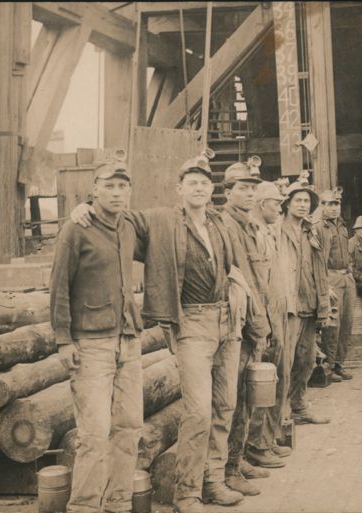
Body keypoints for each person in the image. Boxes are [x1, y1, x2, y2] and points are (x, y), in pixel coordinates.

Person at [70, 151, 252, 512]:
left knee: (224, 405)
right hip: (192, 323)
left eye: (204, 182)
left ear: (212, 188)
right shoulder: (158, 220)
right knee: (198, 411)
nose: (199, 188)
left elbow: (235, 268)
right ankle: (187, 493)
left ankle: (212, 479)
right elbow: (115, 216)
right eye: (192, 182)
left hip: (227, 321)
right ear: (179, 188)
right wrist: (83, 207)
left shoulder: (219, 223)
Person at [51, 159, 144, 513]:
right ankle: (85, 507)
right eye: (109, 185)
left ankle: (118, 504)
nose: (117, 192)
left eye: (123, 186)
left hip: (128, 340)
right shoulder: (76, 229)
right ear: (94, 189)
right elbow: (59, 286)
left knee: (130, 426)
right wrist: (63, 339)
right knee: (93, 433)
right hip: (91, 345)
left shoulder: (130, 225)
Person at [219, 161, 277, 487]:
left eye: (252, 188)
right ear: (228, 192)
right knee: (234, 399)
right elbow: (241, 279)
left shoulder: (249, 225)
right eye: (242, 188)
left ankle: (238, 461)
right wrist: (258, 326)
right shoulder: (226, 224)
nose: (249, 193)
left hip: (252, 320)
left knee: (245, 396)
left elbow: (259, 278)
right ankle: (228, 470)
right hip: (237, 323)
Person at [247, 181, 296, 467]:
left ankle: (271, 436)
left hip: (280, 311)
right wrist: (264, 323)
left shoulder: (270, 231)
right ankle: (257, 443)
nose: (279, 208)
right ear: (262, 204)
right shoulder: (255, 232)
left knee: (280, 379)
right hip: (266, 316)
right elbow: (258, 284)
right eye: (275, 204)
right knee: (264, 382)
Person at [280, 177, 332, 425]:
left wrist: (323, 303)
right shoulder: (277, 230)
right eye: (297, 200)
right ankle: (281, 413)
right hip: (289, 307)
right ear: (287, 203)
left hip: (309, 305)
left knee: (307, 360)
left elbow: (320, 270)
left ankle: (299, 406)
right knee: (285, 361)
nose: (302, 205)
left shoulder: (311, 231)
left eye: (306, 202)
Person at [316, 187, 356, 381]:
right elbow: (318, 259)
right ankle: (328, 367)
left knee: (347, 323)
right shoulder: (319, 227)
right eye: (328, 204)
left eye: (336, 204)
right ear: (321, 206)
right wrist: (325, 284)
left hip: (346, 277)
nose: (333, 208)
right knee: (332, 325)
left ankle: (339, 364)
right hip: (330, 278)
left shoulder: (342, 225)